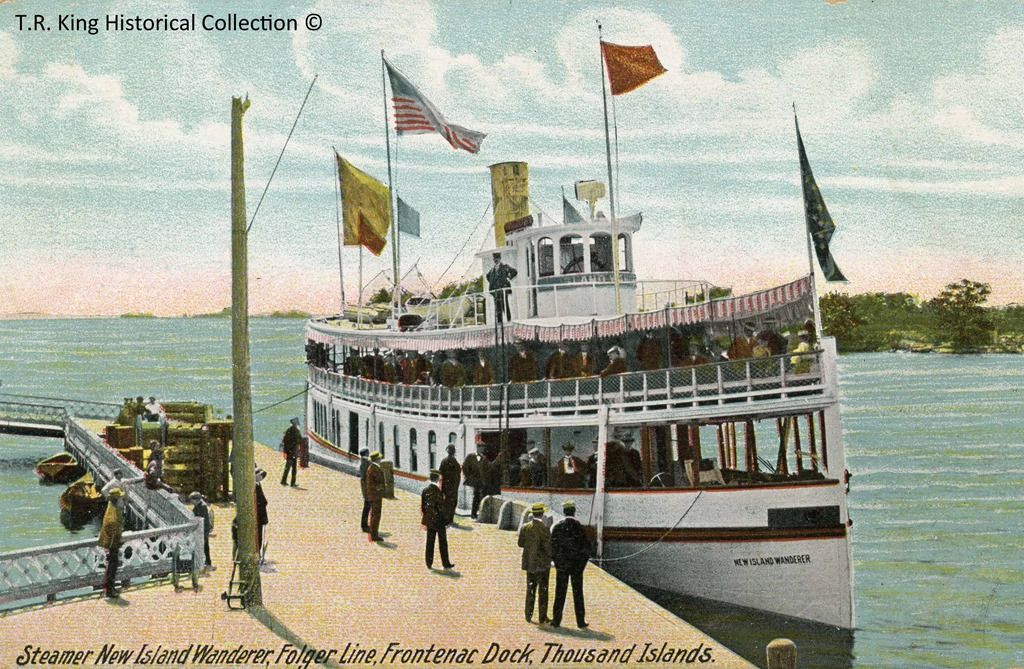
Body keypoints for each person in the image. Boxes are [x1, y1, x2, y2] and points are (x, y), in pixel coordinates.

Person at [550, 500, 590, 629]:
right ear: (574, 511)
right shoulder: (580, 528)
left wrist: (557, 563)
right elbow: (586, 550)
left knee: (560, 593)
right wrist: (581, 566)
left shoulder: (557, 527)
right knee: (578, 594)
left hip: (562, 567)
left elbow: (553, 548)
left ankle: (556, 621)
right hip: (577, 567)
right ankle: (580, 622)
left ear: (564, 511)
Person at [518, 502, 552, 624]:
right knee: (543, 591)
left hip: (530, 564)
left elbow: (520, 543)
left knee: (530, 589)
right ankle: (542, 617)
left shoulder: (525, 527)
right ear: (542, 514)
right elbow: (548, 548)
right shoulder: (545, 529)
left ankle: (528, 615)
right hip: (542, 565)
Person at [421, 470, 455, 570]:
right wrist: (446, 521)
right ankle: (445, 563)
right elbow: (441, 508)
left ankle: (429, 563)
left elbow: (423, 507)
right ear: (437, 480)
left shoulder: (425, 490)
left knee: (430, 542)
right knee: (443, 542)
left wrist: (427, 517)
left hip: (429, 520)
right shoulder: (437, 492)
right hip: (439, 521)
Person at [98, 488, 125, 598]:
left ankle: (109, 588)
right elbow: (112, 525)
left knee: (111, 566)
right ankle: (109, 590)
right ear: (116, 499)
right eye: (120, 498)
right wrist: (116, 541)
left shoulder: (112, 507)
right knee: (112, 567)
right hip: (112, 543)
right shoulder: (113, 511)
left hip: (109, 541)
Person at [486, 252, 517, 323]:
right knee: (497, 308)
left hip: (503, 291)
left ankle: (509, 321)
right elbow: (487, 276)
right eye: (494, 259)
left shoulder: (505, 267)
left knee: (505, 306)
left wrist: (509, 277)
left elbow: (514, 272)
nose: (495, 260)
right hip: (496, 292)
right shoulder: (492, 270)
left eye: (497, 258)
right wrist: (493, 285)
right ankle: (499, 323)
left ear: (500, 259)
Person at [189, 491, 215, 572]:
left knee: (205, 546)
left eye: (192, 500)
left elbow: (201, 518)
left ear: (196, 500)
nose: (191, 502)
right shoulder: (199, 506)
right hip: (203, 529)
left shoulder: (202, 507)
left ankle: (208, 562)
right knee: (204, 546)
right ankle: (206, 562)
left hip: (203, 529)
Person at [439, 443, 462, 525]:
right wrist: (456, 486)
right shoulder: (456, 463)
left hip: (445, 486)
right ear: (454, 452)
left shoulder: (444, 461)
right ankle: (450, 519)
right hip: (453, 487)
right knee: (453, 503)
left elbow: (440, 473)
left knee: (446, 503)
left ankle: (445, 520)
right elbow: (459, 475)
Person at [365, 452, 386, 541]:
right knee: (375, 515)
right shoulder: (373, 468)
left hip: (375, 495)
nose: (380, 460)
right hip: (375, 495)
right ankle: (374, 535)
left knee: (375, 515)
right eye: (379, 458)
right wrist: (381, 487)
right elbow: (372, 484)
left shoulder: (373, 467)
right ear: (376, 459)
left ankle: (374, 533)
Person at [462, 444, 484, 519]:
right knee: (476, 496)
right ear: (477, 448)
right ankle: (473, 514)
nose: (481, 450)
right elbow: (464, 466)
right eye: (480, 448)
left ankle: (476, 513)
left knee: (479, 497)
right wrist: (468, 477)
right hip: (473, 480)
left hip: (480, 481)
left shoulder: (483, 458)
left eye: (482, 448)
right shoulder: (470, 456)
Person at [280, 417, 301, 487]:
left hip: (290, 452)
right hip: (293, 452)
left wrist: (285, 451)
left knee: (288, 468)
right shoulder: (296, 431)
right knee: (293, 468)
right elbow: (300, 440)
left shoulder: (288, 431)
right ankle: (292, 483)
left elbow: (285, 442)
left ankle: (284, 481)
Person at [255, 468, 269, 560]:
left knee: (260, 535)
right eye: (260, 476)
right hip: (258, 516)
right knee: (258, 536)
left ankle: (258, 553)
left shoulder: (258, 485)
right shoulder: (255, 487)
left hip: (261, 515)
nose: (261, 478)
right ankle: (257, 554)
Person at [358, 449, 372, 532]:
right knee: (367, 507)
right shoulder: (365, 463)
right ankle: (364, 525)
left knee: (367, 507)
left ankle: (365, 524)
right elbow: (364, 477)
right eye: (368, 453)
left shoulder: (363, 462)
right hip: (367, 488)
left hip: (366, 488)